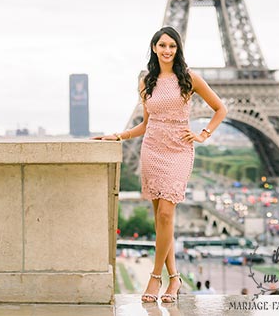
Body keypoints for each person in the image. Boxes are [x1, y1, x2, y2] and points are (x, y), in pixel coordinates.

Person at [91, 26, 227, 303]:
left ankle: (155, 278)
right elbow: (145, 124)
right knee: (162, 220)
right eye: (162, 45)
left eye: (172, 46)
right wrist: (118, 135)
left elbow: (220, 109)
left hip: (178, 151)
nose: (167, 50)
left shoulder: (189, 78)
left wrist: (203, 134)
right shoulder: (146, 81)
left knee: (166, 214)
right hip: (152, 150)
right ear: (154, 48)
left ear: (178, 49)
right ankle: (174, 280)